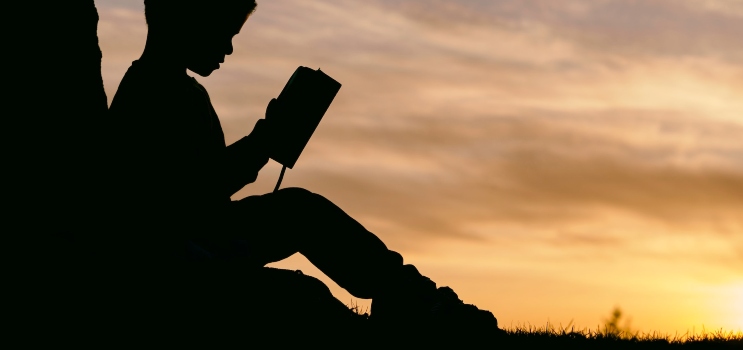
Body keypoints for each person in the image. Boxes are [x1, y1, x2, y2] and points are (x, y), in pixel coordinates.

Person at [107, 0, 497, 334]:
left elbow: (205, 184)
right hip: (180, 266)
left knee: (300, 209)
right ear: (188, 20)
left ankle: (412, 299)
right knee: (303, 295)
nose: (227, 48)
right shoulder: (148, 95)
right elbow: (184, 200)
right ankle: (413, 311)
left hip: (204, 240)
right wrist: (264, 142)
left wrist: (265, 140)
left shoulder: (180, 90)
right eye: (223, 32)